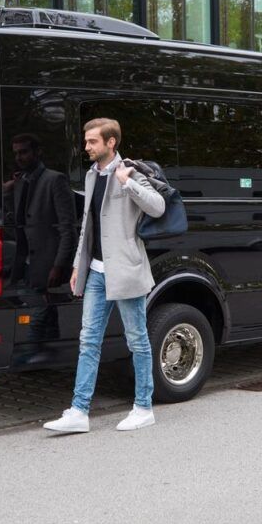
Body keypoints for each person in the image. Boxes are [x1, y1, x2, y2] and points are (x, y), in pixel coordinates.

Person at [43, 118, 165, 433]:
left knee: (137, 340)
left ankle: (143, 407)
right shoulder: (91, 175)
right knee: (88, 341)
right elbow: (88, 225)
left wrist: (128, 183)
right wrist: (77, 266)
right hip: (96, 273)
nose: (87, 146)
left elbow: (158, 207)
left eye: (92, 141)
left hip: (125, 270)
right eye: (86, 141)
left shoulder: (131, 171)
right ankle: (79, 411)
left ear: (111, 142)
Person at [2, 133, 76, 363]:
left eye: (24, 152)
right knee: (45, 308)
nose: (19, 157)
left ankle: (30, 352)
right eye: (16, 153)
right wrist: (8, 193)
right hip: (25, 261)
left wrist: (59, 265)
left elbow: (68, 228)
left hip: (48, 261)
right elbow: (13, 221)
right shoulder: (20, 182)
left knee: (40, 307)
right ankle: (50, 353)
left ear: (37, 152)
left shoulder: (55, 180)